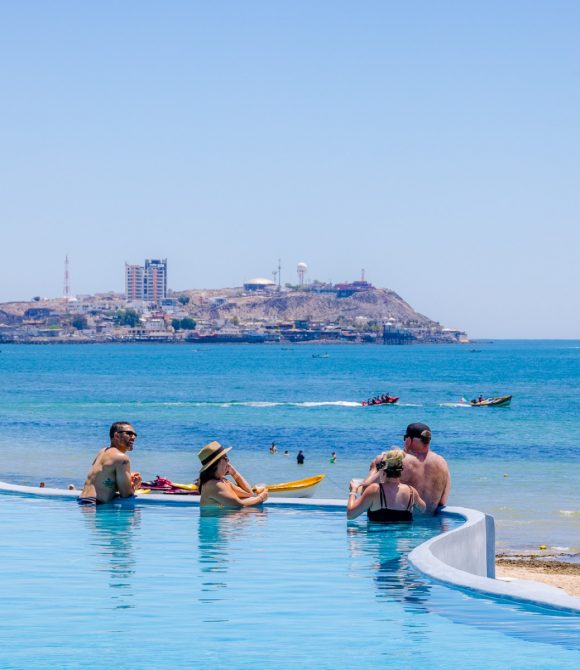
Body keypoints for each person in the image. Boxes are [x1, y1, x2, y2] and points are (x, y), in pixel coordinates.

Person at [360, 422, 450, 515]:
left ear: (409, 440)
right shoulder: (443, 463)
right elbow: (442, 501)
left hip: (403, 521)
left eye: (405, 438)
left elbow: (364, 491)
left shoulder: (397, 460)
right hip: (431, 523)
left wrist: (374, 468)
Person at [347, 449, 426, 521]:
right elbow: (423, 509)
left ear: (382, 470)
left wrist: (353, 491)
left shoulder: (374, 490)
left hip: (378, 532)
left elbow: (350, 515)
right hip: (404, 532)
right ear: (401, 470)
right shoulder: (411, 492)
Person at [78, 421, 142, 505]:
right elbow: (126, 495)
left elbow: (102, 481)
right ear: (116, 435)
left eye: (135, 435)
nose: (133, 437)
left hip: (82, 501)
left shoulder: (102, 451)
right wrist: (135, 486)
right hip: (95, 505)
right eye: (129, 433)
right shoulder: (122, 458)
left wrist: (128, 478)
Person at [198, 441, 268, 508]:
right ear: (217, 463)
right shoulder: (212, 485)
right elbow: (238, 505)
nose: (228, 462)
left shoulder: (223, 481)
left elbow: (248, 493)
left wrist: (234, 473)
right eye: (226, 459)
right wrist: (261, 498)